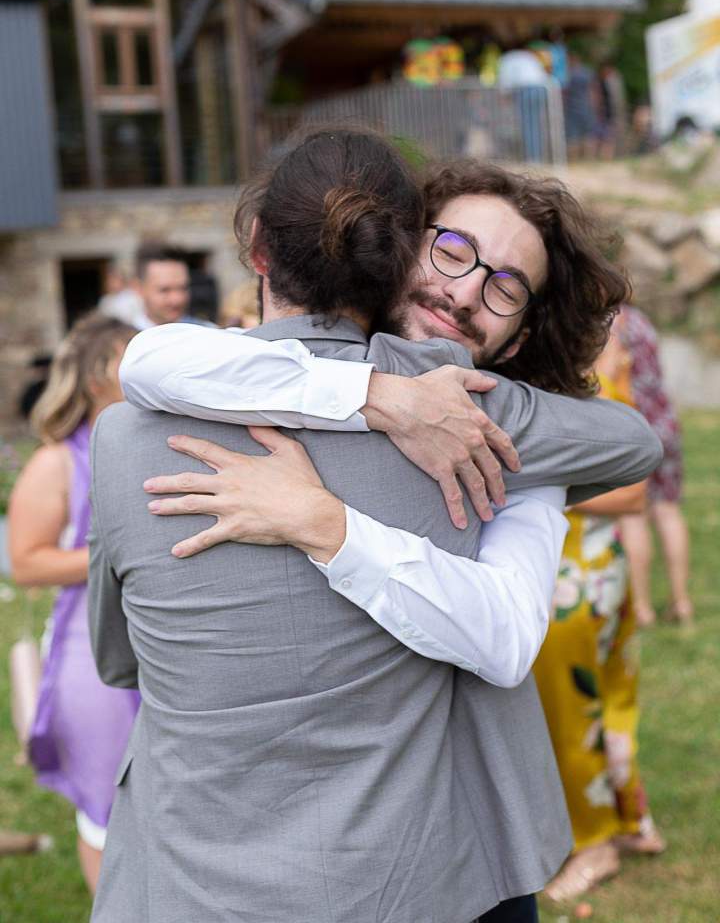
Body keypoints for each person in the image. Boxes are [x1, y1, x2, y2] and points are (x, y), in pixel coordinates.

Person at [105, 145, 662, 923]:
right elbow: (150, 358)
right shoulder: (225, 370)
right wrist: (376, 395)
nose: (466, 291)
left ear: (520, 334)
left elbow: (504, 635)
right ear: (391, 242)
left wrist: (327, 525)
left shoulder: (505, 440)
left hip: (445, 854)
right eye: (453, 250)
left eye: (506, 287)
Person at [8, 312, 140, 895]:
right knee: (104, 802)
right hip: (89, 649)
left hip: (157, 643)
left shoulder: (148, 443)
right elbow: (29, 561)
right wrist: (128, 558)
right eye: (128, 358)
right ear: (95, 377)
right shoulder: (57, 461)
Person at [534, 344, 664, 905]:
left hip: (578, 583)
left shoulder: (579, 386)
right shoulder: (579, 378)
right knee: (608, 707)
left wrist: (538, 483)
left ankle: (594, 843)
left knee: (575, 713)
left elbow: (634, 493)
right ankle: (631, 819)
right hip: (593, 575)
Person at [615, 305, 693, 626]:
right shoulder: (640, 320)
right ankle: (681, 601)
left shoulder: (608, 324)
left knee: (633, 515)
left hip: (633, 428)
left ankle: (642, 608)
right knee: (668, 511)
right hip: (665, 423)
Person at [132, 243, 192, 329]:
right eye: (164, 290)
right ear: (138, 288)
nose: (177, 299)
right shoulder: (124, 339)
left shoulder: (209, 335)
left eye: (183, 288)